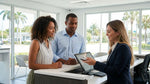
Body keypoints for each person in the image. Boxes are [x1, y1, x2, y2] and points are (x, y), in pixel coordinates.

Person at [83, 20, 134, 84]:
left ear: (118, 32)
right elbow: (110, 67)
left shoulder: (123, 48)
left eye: (109, 32)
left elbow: (115, 71)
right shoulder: (115, 47)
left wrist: (95, 63)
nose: (106, 34)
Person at [27, 16, 62, 84]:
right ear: (42, 29)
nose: (54, 30)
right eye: (51, 28)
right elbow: (31, 65)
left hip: (46, 76)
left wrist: (55, 64)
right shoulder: (36, 42)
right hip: (37, 77)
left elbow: (46, 60)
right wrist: (52, 66)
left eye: (54, 28)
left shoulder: (48, 42)